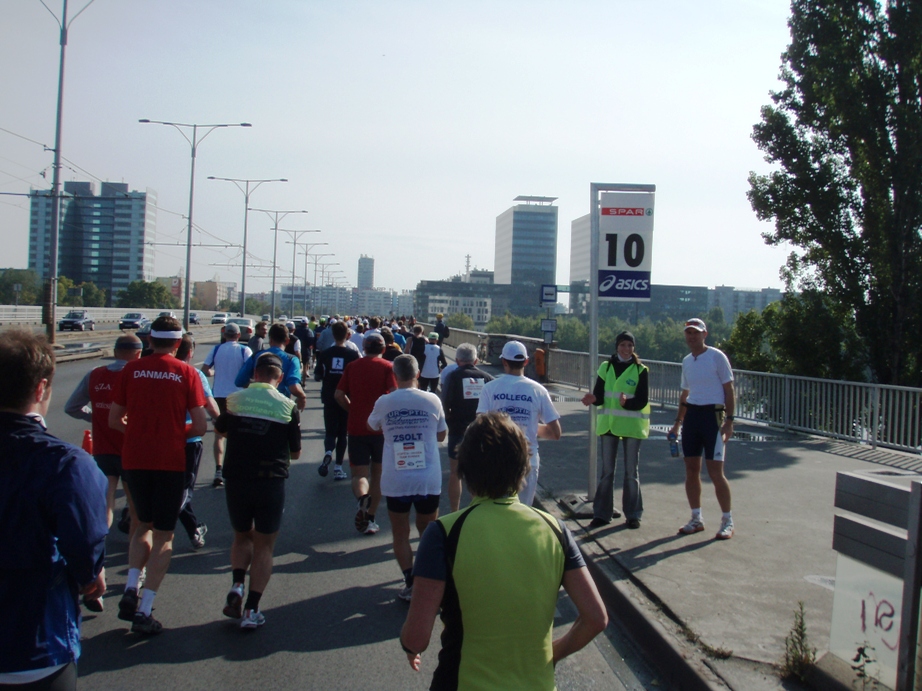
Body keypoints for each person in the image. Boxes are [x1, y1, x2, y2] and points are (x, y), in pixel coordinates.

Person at [399, 412, 608, 687]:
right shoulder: (555, 529)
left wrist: (409, 648)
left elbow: (417, 638)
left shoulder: (443, 533)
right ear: (523, 468)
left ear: (464, 470)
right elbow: (595, 618)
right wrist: (552, 654)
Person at [0, 331, 108, 690]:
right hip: (31, 645)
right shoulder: (65, 463)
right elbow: (85, 542)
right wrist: (90, 576)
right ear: (41, 388)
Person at [108, 315, 207, 635]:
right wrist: (173, 434)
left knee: (140, 527)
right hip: (170, 460)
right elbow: (201, 426)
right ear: (178, 343)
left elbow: (113, 420)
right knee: (165, 534)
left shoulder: (130, 371)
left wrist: (138, 431)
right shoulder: (187, 373)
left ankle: (129, 588)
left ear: (149, 340)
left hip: (134, 458)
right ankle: (145, 608)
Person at [215, 353, 301, 629]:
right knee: (265, 545)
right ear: (279, 379)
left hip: (237, 477)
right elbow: (296, 453)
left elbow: (221, 430)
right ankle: (251, 609)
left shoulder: (234, 400)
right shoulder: (288, 406)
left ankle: (237, 584)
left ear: (255, 374)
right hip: (270, 480)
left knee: (241, 537)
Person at [367, 355, 447, 602]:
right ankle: (429, 579)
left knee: (400, 533)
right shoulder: (432, 399)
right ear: (418, 373)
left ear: (394, 375)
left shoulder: (384, 401)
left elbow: (371, 427)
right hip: (427, 477)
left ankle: (410, 580)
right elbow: (442, 435)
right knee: (427, 530)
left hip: (396, 478)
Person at [64, 334, 144, 576]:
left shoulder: (95, 374)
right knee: (134, 509)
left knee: (105, 506)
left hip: (102, 449)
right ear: (138, 354)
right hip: (130, 450)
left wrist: (96, 416)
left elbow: (71, 407)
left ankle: (97, 561)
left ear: (115, 351)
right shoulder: (137, 376)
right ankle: (135, 568)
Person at [668, 318, 737, 540]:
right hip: (693, 417)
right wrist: (678, 422)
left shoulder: (717, 357)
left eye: (696, 333)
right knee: (691, 470)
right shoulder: (687, 361)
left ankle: (727, 519)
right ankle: (696, 518)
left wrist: (730, 421)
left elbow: (729, 389)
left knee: (716, 472)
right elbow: (685, 393)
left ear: (704, 334)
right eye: (688, 333)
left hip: (713, 418)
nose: (692, 337)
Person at [476, 340, 561, 507]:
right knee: (522, 512)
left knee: (497, 511)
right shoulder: (538, 390)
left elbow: (481, 425)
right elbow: (555, 432)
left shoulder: (490, 388)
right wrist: (529, 428)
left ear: (504, 362)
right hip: (527, 460)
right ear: (526, 362)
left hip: (497, 459)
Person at [581, 331, 650, 529]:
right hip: (609, 425)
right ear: (616, 347)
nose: (626, 349)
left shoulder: (640, 370)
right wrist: (593, 399)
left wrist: (627, 402)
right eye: (623, 345)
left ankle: (633, 514)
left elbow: (642, 400)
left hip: (631, 426)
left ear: (633, 348)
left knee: (630, 472)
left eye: (629, 345)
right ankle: (602, 513)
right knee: (607, 471)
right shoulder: (606, 366)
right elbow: (600, 395)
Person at [334, 332, 397, 535]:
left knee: (359, 474)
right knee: (377, 474)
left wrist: (352, 408)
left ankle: (362, 497)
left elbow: (338, 394)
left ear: (364, 347)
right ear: (384, 349)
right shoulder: (388, 367)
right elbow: (395, 394)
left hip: (357, 427)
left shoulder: (353, 366)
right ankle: (370, 516)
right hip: (380, 430)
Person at [176, 334, 221, 550]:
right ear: (190, 352)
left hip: (156, 439)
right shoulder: (193, 374)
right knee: (182, 492)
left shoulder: (147, 370)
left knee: (165, 486)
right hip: (188, 439)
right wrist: (221, 423)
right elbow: (211, 408)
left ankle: (194, 530)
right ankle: (137, 517)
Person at [441, 342, 493, 512]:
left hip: (457, 429)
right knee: (475, 474)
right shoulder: (486, 378)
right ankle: (474, 511)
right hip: (480, 431)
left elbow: (445, 403)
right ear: (476, 361)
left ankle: (454, 511)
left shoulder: (452, 377)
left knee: (455, 473)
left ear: (457, 360)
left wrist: (450, 421)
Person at [201, 321, 252, 487]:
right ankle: (236, 469)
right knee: (238, 434)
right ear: (238, 335)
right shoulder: (245, 350)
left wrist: (216, 372)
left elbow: (205, 370)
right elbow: (251, 371)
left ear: (224, 334)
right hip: (238, 395)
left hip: (219, 396)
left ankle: (218, 470)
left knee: (219, 434)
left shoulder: (216, 349)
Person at [314, 320, 360, 480]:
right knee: (342, 433)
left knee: (330, 431)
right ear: (347, 335)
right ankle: (338, 467)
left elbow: (318, 375)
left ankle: (328, 452)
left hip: (329, 396)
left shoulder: (326, 354)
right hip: (346, 397)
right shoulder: (353, 355)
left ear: (333, 335)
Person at [235, 323, 307, 411]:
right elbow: (294, 386)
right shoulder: (292, 359)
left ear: (270, 340)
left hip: (256, 406)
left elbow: (239, 381)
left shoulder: (256, 356)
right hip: (279, 407)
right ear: (287, 341)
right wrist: (302, 396)